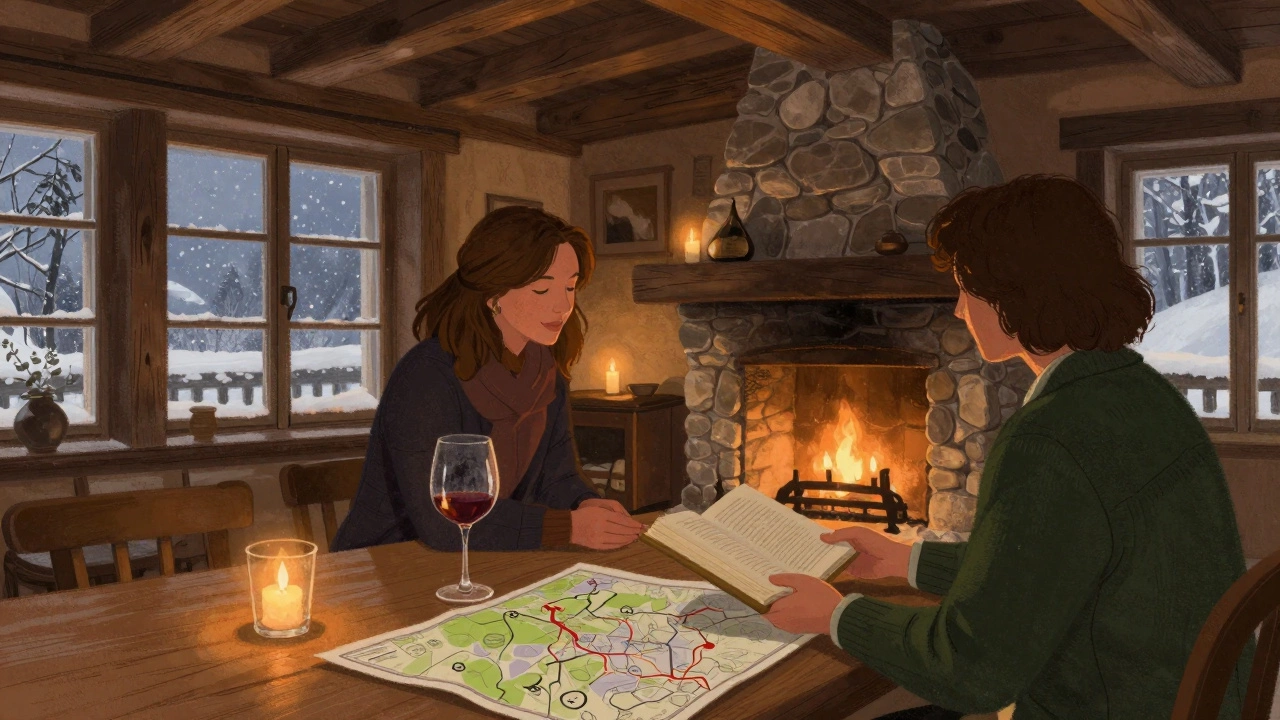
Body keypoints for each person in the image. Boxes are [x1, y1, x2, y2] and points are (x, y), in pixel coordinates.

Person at [762, 175, 1253, 719]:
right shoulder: (1136, 392)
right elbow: (1051, 567)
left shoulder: (1050, 437)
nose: (957, 309)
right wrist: (909, 560)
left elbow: (973, 671)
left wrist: (837, 617)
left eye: (967, 289)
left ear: (1018, 292)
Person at [331, 206, 644, 553]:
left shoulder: (546, 374)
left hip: (484, 560)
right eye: (542, 290)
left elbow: (558, 477)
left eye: (570, 288)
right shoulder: (427, 376)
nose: (562, 306)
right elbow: (444, 520)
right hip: (389, 563)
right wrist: (567, 527)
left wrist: (586, 503)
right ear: (493, 296)